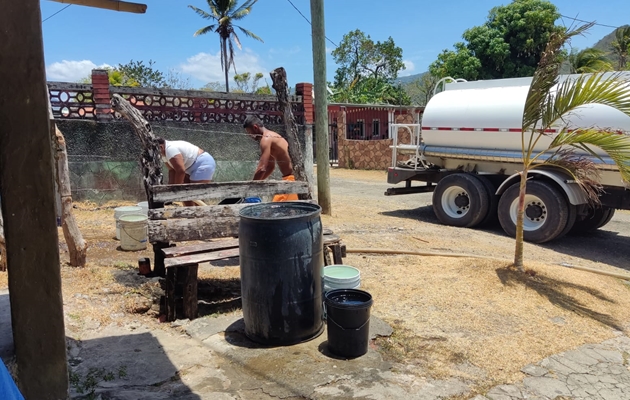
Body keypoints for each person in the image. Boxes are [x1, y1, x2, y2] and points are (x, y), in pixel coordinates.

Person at [243, 116, 298, 202]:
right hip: (290, 178)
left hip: (291, 179)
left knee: (277, 209)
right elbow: (270, 167)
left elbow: (262, 168)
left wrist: (251, 187)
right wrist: (257, 183)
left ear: (255, 127)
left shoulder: (266, 139)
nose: (250, 136)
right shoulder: (271, 137)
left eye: (250, 133)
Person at [156, 137, 216, 206]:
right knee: (185, 195)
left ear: (161, 147)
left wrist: (177, 189)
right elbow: (172, 170)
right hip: (189, 168)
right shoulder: (163, 154)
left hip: (203, 163)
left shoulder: (170, 149)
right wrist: (171, 190)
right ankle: (190, 214)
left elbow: (181, 171)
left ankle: (201, 214)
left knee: (195, 194)